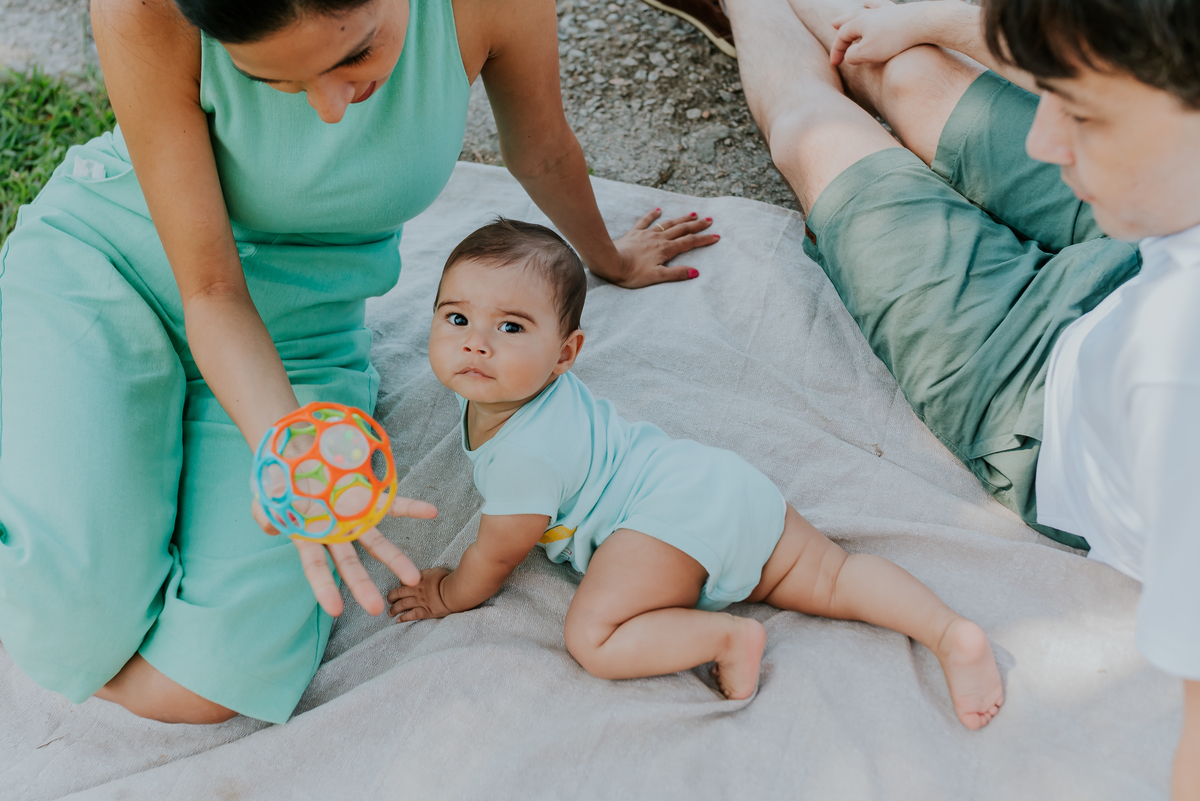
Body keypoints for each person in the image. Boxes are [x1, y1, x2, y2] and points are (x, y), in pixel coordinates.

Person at [0, 0, 719, 725]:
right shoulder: (145, 7)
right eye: (277, 83)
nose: (330, 108)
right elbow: (211, 290)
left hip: (298, 333)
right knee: (74, 621)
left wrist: (609, 259)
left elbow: (542, 146)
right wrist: (288, 445)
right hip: (115, 273)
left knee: (210, 684)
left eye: (354, 56)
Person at [722, 0, 1199, 793]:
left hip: (1028, 381)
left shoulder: (1176, 400)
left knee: (815, 130)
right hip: (1145, 240)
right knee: (904, 63)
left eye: (1082, 117)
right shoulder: (1150, 134)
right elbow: (1112, 51)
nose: (1046, 137)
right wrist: (937, 22)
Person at [387, 218, 1005, 729]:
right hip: (715, 482)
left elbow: (497, 554)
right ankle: (950, 633)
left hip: (656, 524)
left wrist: (447, 593)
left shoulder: (525, 457)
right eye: (457, 318)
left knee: (593, 638)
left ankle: (726, 639)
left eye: (511, 327)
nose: (476, 344)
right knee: (835, 575)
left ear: (565, 354)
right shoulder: (520, 387)